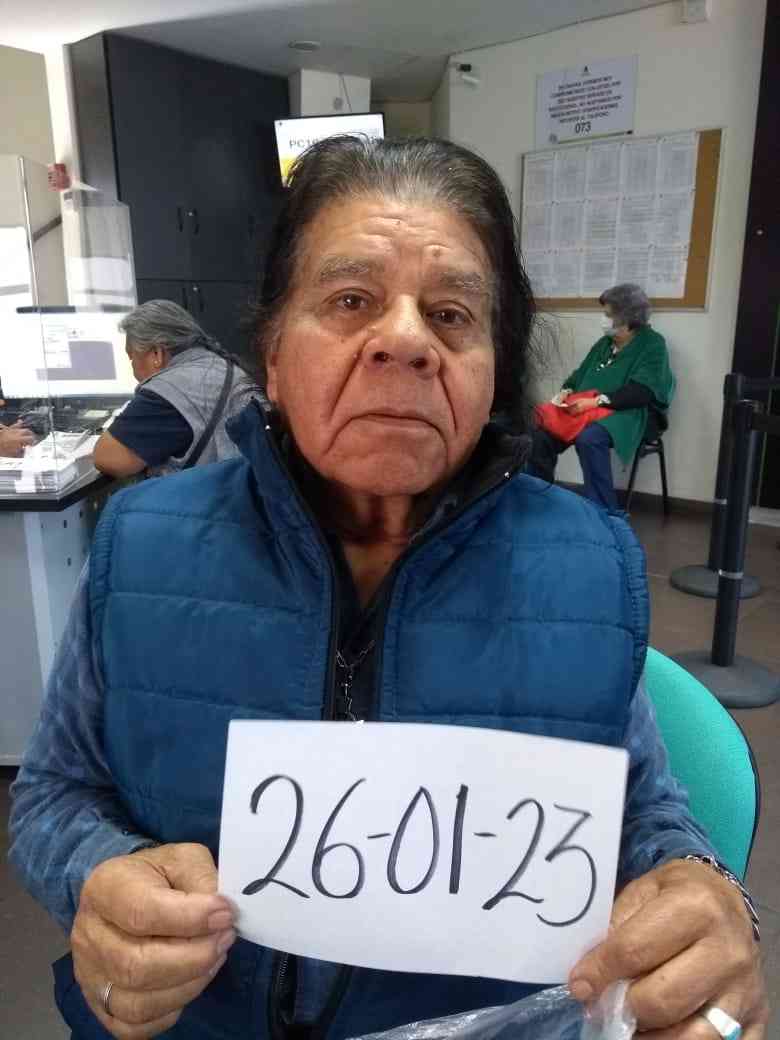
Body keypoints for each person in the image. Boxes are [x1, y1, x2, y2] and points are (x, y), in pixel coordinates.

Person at [8, 137, 767, 1040]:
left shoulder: (587, 567)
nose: (406, 339)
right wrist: (94, 874)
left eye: (451, 315)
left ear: (492, 373)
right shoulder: (140, 545)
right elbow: (52, 794)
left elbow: (645, 810)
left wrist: (702, 886)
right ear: (273, 356)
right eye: (350, 301)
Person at [530, 284, 675, 509]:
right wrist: (567, 391)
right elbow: (578, 376)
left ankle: (604, 511)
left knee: (589, 438)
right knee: (540, 433)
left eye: (608, 315)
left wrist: (595, 401)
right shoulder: (604, 343)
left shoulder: (653, 343)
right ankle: (538, 500)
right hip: (588, 408)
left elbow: (642, 392)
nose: (603, 319)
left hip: (634, 412)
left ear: (627, 319)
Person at [93, 300, 258, 478]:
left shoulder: (168, 390)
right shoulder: (226, 366)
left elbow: (108, 458)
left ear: (156, 354)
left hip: (211, 493)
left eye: (131, 357)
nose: (132, 367)